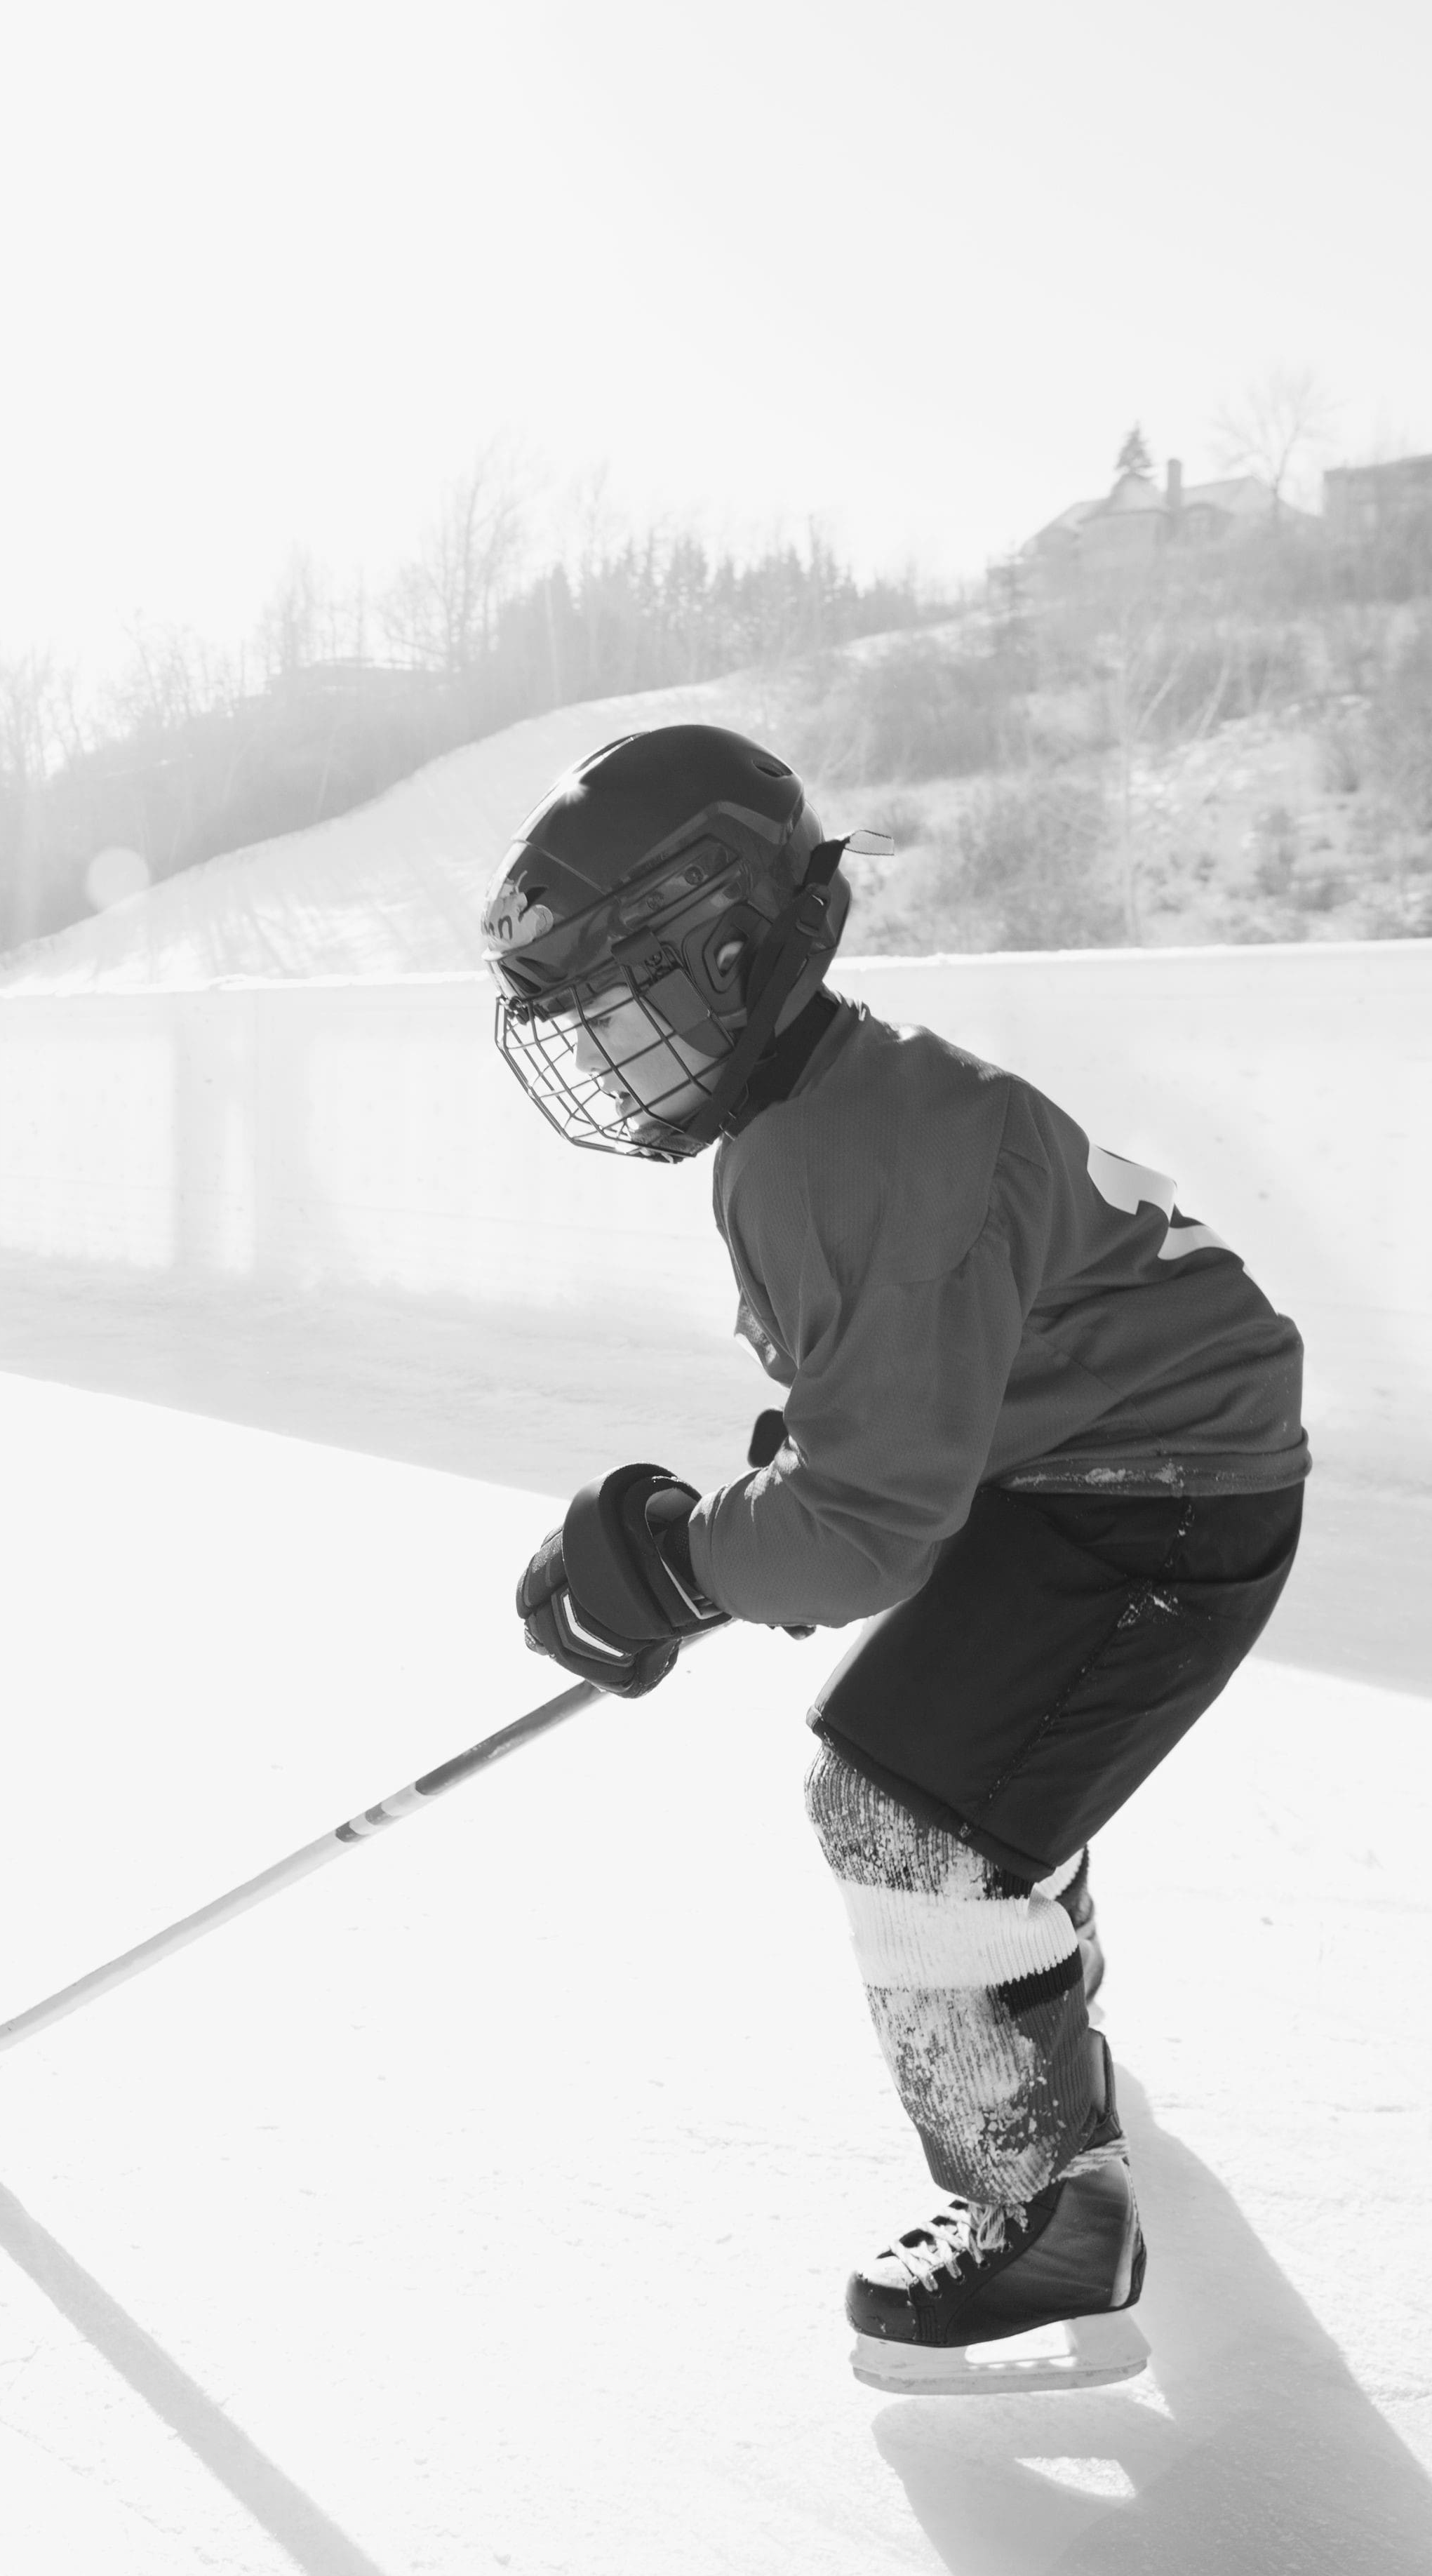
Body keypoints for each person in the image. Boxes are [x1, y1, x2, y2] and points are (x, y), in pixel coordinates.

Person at [488, 725, 1306, 2394]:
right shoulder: (822, 1105)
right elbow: (890, 1405)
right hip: (1090, 1465)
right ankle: (1036, 2006)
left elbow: (865, 1526)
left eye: (627, 1002)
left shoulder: (848, 1151)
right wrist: (711, 1542)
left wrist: (689, 1562)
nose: (613, 1055)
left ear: (732, 952)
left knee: (903, 1806)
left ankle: (1043, 2206)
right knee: (958, 1763)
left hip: (1157, 1501)